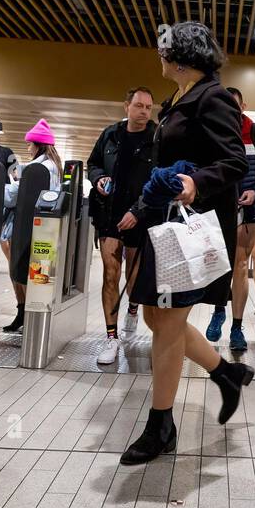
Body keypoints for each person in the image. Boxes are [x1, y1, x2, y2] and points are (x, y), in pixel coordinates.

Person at [119, 21, 252, 466]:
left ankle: (161, 425)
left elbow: (233, 161)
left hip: (190, 227)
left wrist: (197, 181)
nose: (159, 57)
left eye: (164, 50)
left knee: (169, 323)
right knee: (158, 319)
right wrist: (142, 205)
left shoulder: (212, 96)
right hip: (167, 222)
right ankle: (225, 372)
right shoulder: (177, 100)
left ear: (181, 56)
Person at [87, 87, 157, 364]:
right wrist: (99, 178)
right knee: (110, 273)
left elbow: (159, 181)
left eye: (148, 107)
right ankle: (111, 337)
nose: (143, 111)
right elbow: (92, 163)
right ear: (126, 106)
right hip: (109, 214)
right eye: (138, 105)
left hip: (140, 216)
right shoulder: (110, 135)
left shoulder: (156, 137)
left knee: (134, 275)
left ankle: (133, 308)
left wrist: (138, 210)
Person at [204, 87, 255, 351]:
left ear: (243, 106)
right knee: (221, 263)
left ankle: (235, 327)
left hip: (251, 207)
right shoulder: (213, 133)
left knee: (240, 264)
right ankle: (219, 309)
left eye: (235, 106)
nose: (231, 112)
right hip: (221, 207)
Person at [0, 121, 62, 333]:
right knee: (33, 274)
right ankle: (27, 315)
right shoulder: (54, 168)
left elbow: (12, 196)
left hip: (29, 229)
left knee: (21, 270)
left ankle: (27, 315)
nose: (27, 149)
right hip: (46, 231)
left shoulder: (38, 169)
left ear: (38, 145)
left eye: (29, 145)